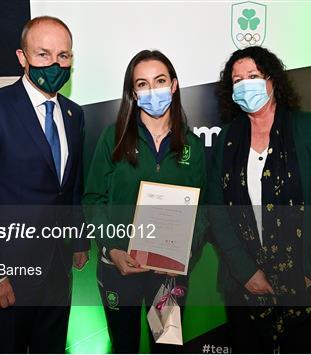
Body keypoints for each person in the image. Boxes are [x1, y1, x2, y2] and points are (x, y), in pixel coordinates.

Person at [0, 16, 89, 353]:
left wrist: (78, 241)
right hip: (9, 276)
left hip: (59, 273)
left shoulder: (75, 114)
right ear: (22, 57)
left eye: (63, 56)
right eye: (43, 54)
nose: (55, 64)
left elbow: (70, 188)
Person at [207, 46, 311, 353]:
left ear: (273, 81)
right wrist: (246, 272)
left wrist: (309, 271)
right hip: (244, 285)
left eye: (253, 76)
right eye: (237, 80)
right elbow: (216, 212)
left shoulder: (308, 128)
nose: (245, 84)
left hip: (308, 283)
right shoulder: (227, 139)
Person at [83, 49, 207, 353]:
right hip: (118, 267)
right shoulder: (113, 137)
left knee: (166, 344)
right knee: (124, 345)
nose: (153, 91)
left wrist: (186, 253)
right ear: (133, 93)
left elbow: (203, 210)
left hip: (168, 275)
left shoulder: (191, 144)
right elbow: (93, 198)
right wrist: (112, 249)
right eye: (142, 84)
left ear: (174, 85)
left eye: (160, 80)